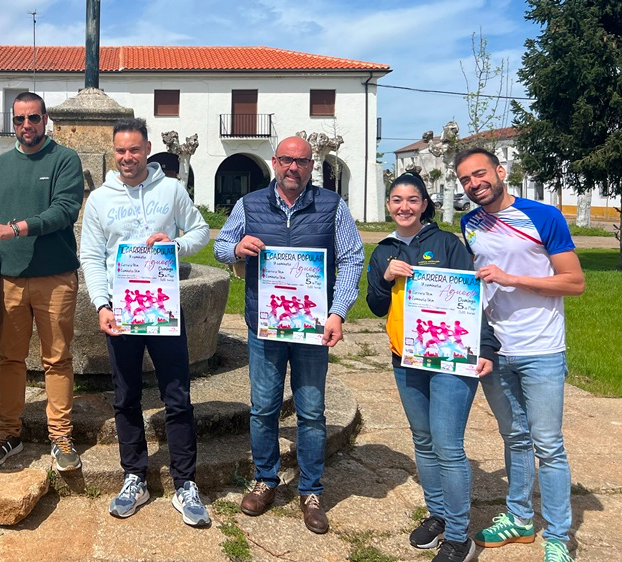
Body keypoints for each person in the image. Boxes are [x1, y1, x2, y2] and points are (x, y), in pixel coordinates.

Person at [214, 136, 364, 534]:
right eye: (286, 160)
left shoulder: (332, 206)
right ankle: (266, 480)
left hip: (313, 327)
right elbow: (221, 246)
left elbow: (351, 258)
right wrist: (236, 248)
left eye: (301, 161)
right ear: (275, 162)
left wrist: (338, 312)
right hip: (264, 326)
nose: (293, 168)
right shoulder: (249, 205)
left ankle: (311, 491)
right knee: (263, 407)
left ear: (311, 165)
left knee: (312, 411)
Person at [79, 117, 211, 527]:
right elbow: (92, 256)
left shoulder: (171, 190)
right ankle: (134, 474)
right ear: (113, 151)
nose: (127, 158)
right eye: (120, 151)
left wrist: (177, 243)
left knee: (177, 395)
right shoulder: (100, 199)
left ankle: (185, 482)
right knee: (126, 396)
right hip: (123, 311)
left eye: (134, 150)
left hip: (164, 308)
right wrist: (102, 304)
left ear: (148, 149)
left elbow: (201, 231)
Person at [456, 148, 584, 562]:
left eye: (480, 174)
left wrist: (511, 279)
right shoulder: (469, 223)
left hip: (542, 348)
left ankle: (560, 537)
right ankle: (519, 519)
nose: (474, 184)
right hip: (496, 350)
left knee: (548, 445)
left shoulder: (543, 216)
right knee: (513, 438)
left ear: (500, 172)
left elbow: (574, 282)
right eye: (464, 180)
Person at [366, 171, 499, 562]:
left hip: (452, 358)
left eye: (412, 200)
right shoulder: (382, 250)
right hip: (406, 358)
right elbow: (375, 306)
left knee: (448, 444)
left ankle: (460, 537)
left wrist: (486, 346)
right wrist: (386, 277)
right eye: (396, 200)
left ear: (425, 204)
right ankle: (438, 514)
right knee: (422, 440)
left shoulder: (447, 244)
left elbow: (475, 295)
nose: (404, 207)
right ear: (388, 205)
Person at [0, 92, 84, 471]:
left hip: (55, 277)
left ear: (46, 120)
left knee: (57, 359)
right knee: (9, 359)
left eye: (34, 118)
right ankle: (9, 433)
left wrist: (16, 228)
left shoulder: (65, 160)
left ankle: (61, 436)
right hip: (9, 278)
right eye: (20, 119)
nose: (27, 126)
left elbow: (64, 211)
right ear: (13, 121)